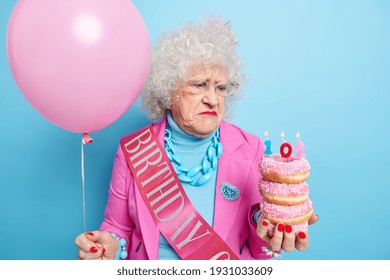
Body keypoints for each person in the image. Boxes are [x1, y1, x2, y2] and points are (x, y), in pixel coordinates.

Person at [74, 18, 318, 260]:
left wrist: (268, 230)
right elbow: (118, 227)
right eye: (200, 85)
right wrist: (112, 247)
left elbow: (258, 249)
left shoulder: (251, 148)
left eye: (221, 88)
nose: (213, 99)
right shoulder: (133, 150)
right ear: (169, 92)